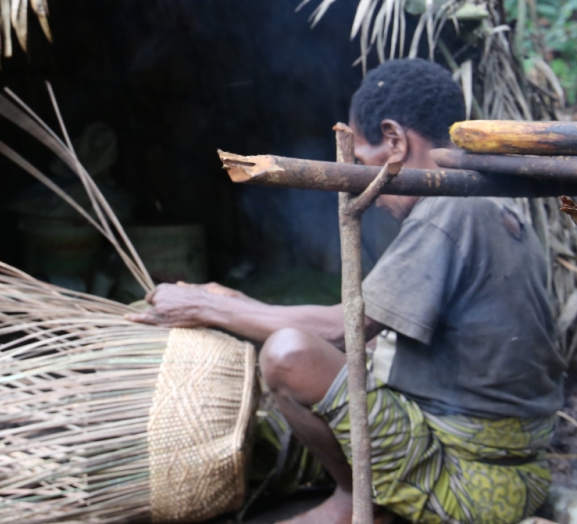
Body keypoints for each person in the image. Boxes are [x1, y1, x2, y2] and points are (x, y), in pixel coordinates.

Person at [127, 58, 565, 524]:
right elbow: (386, 334)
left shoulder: (449, 212)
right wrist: (242, 304)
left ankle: (355, 501)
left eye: (360, 161)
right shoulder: (486, 203)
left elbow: (344, 329)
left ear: (394, 140)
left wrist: (205, 306)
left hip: (469, 481)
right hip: (511, 472)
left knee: (288, 353)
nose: (369, 189)